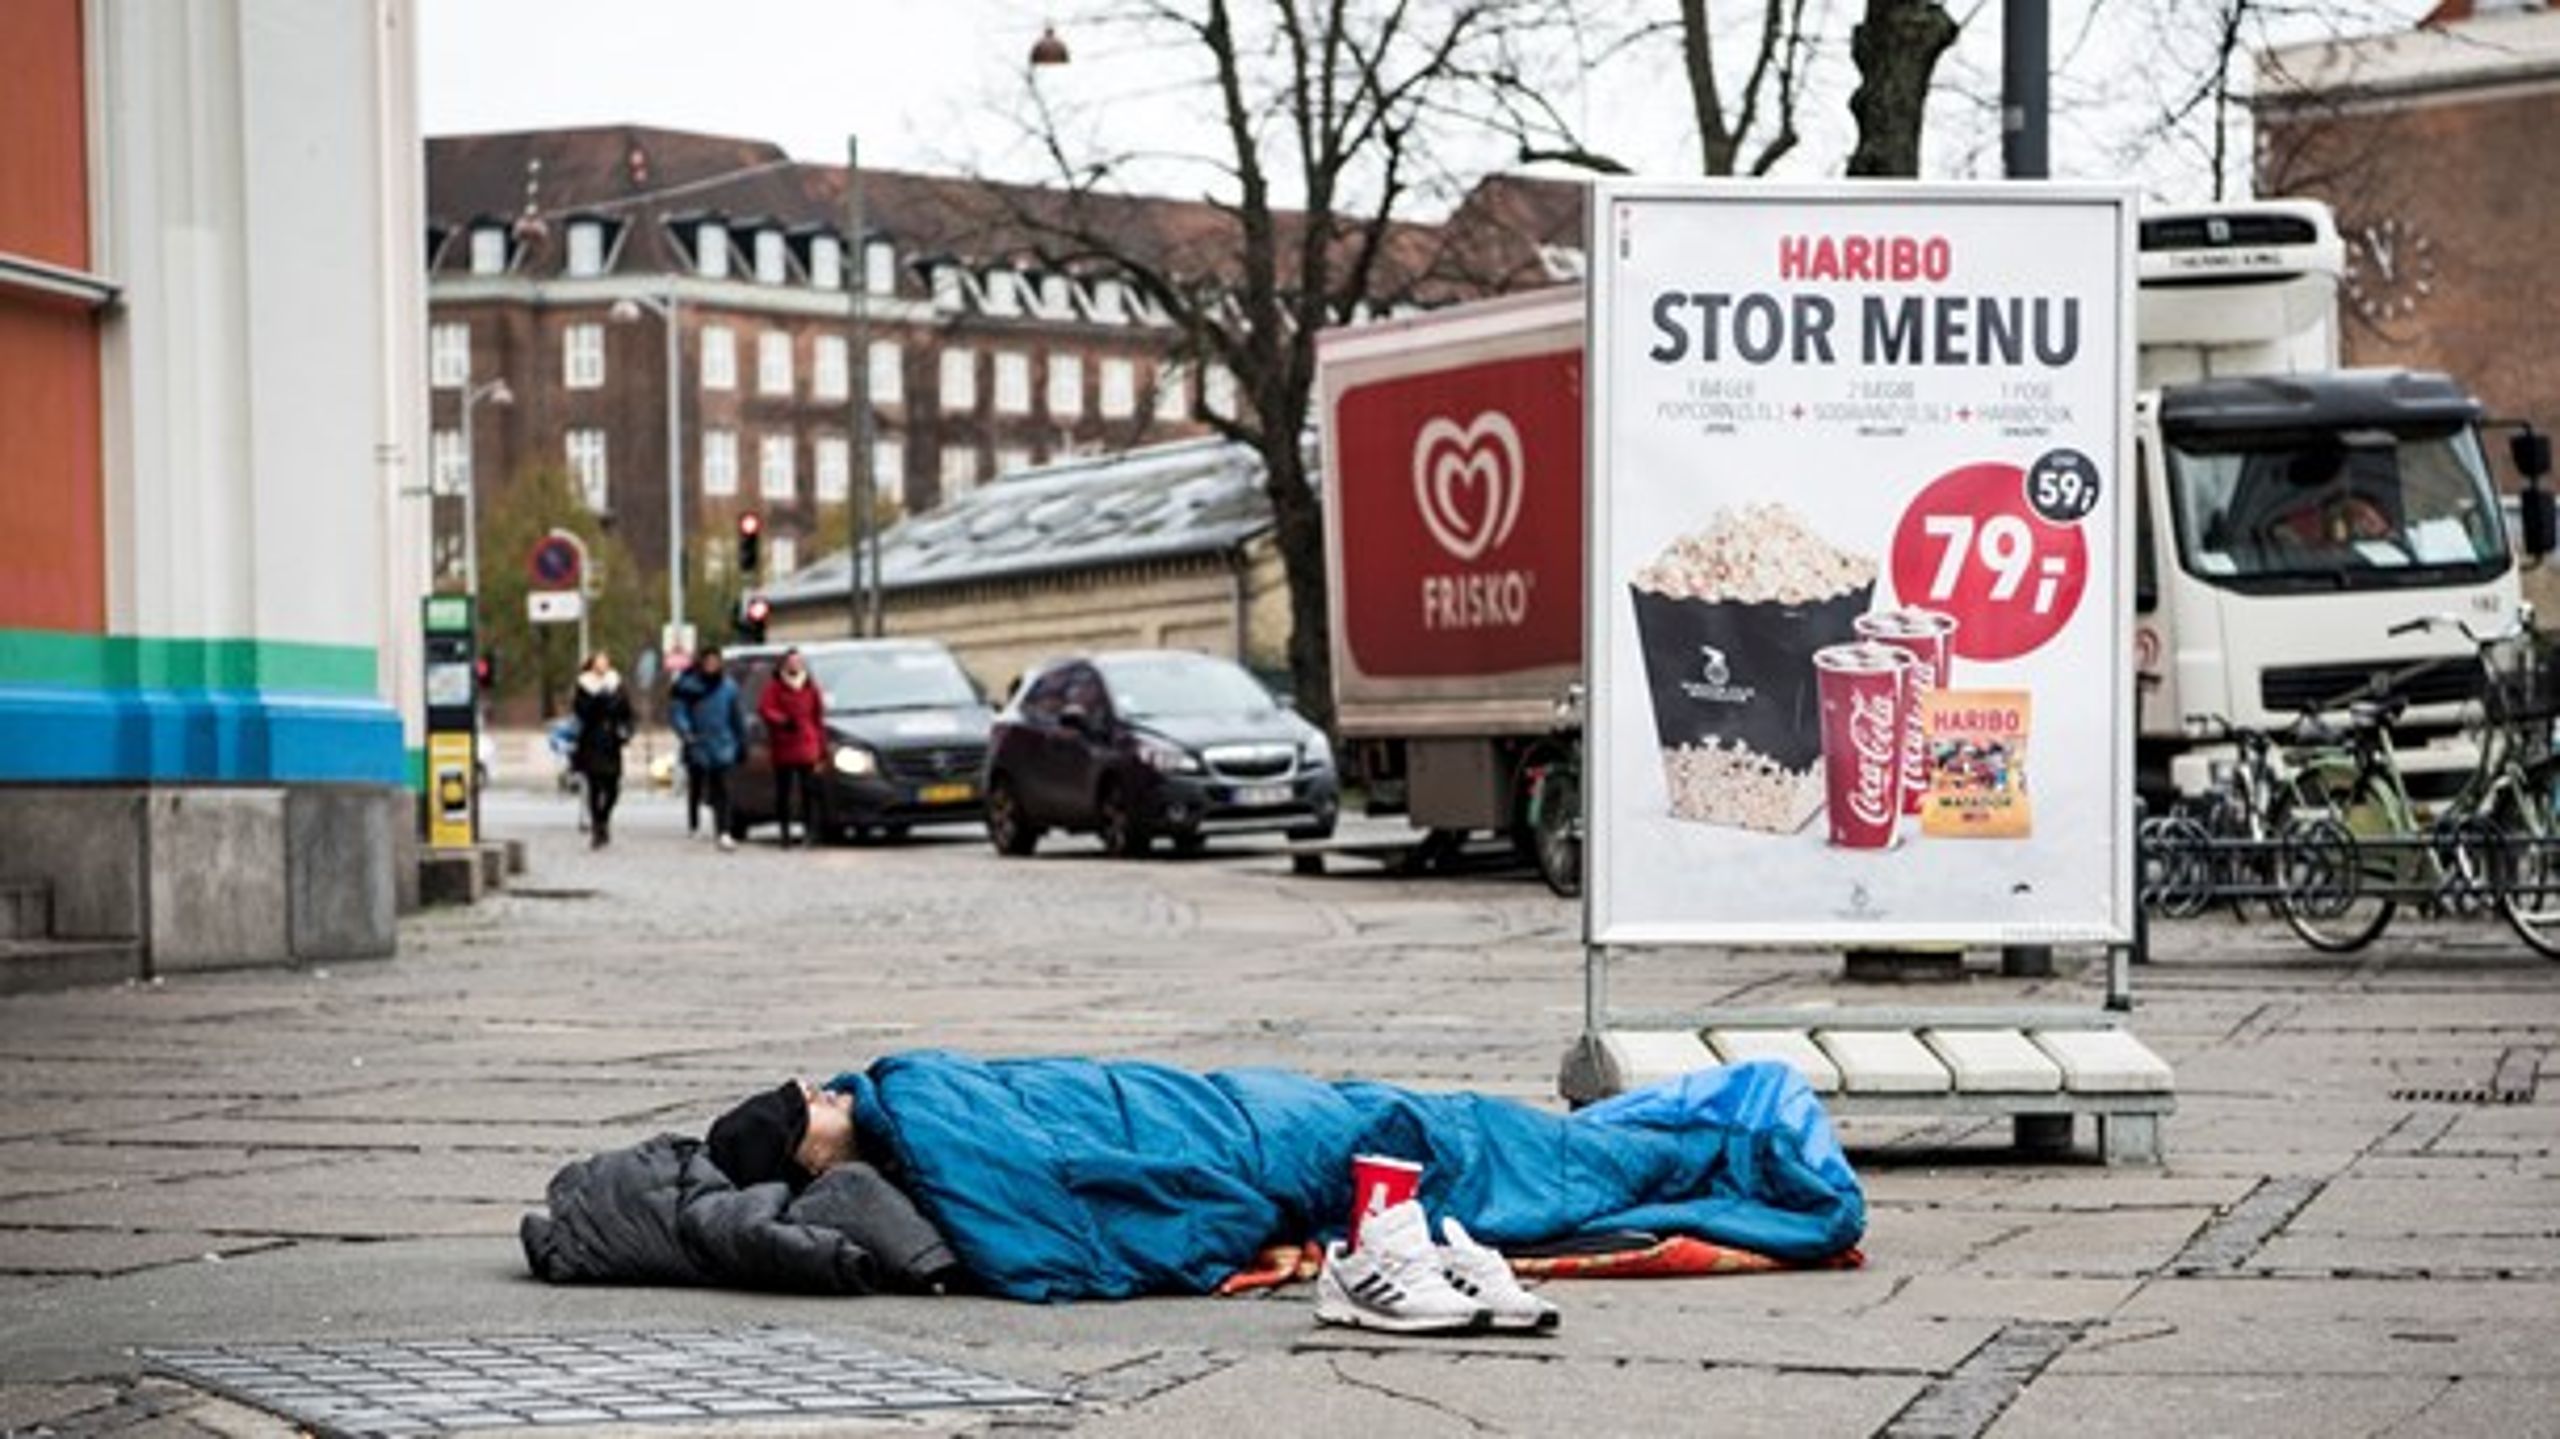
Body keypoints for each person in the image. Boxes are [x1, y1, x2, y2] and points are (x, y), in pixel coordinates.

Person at [680, 1052, 1862, 1329]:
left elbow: (1082, 1221)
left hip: (1264, 1125)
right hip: (1272, 1120)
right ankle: (1710, 1122)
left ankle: (1721, 1121)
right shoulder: (913, 1102)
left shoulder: (916, 1104)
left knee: (1507, 1156)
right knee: (1506, 1152)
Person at [669, 647, 746, 851]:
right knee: (699, 786)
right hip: (699, 742)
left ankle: (724, 831)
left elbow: (737, 716)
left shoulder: (729, 688)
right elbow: (679, 712)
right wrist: (687, 733)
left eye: (715, 662)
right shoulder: (688, 687)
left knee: (724, 790)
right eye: (708, 662)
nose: (712, 666)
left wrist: (741, 742)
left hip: (723, 743)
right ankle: (694, 823)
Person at [756, 646, 827, 847]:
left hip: (807, 745)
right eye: (791, 662)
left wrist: (821, 750)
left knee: (809, 792)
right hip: (784, 745)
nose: (795, 665)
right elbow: (766, 709)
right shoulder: (775, 687)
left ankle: (810, 832)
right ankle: (785, 832)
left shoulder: (811, 687)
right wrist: (782, 721)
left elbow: (818, 718)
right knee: (784, 792)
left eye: (798, 661)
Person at [570, 651, 634, 847]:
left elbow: (627, 712)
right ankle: (598, 826)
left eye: (605, 661)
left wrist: (627, 731)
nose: (602, 665)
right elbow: (581, 712)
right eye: (598, 662)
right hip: (591, 741)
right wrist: (599, 699)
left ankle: (604, 818)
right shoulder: (584, 685)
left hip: (612, 742)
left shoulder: (616, 683)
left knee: (613, 787)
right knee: (595, 786)